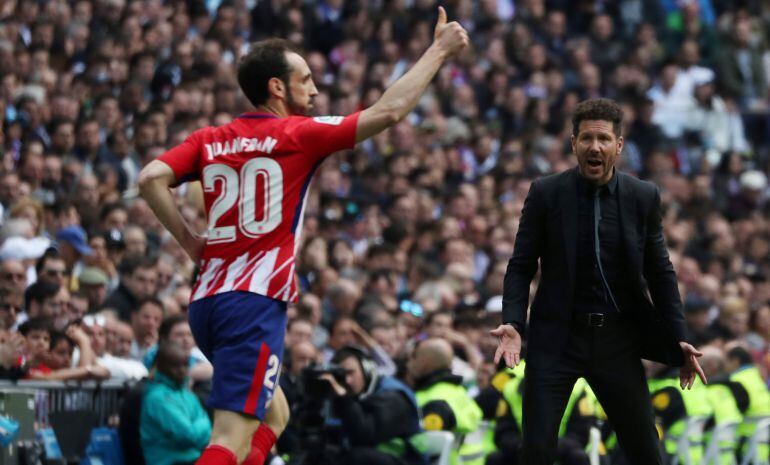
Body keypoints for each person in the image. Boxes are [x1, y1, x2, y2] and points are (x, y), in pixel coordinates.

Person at [137, 7, 468, 465]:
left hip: (207, 302)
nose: (314, 89)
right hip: (252, 303)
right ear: (277, 87)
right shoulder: (297, 134)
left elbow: (150, 178)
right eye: (306, 79)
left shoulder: (209, 138)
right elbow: (389, 112)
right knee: (227, 440)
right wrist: (439, 50)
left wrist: (191, 241)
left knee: (275, 417)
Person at [490, 98, 707, 464]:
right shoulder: (546, 193)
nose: (595, 146)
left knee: (646, 453)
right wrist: (513, 321)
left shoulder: (643, 196)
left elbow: (661, 271)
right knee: (536, 452)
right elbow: (521, 264)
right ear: (573, 143)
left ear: (618, 146)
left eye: (604, 139)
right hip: (557, 340)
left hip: (617, 342)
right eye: (586, 138)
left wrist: (679, 335)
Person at [321, 346, 424, 465]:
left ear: (367, 370)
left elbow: (364, 437)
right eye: (341, 376)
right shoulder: (352, 397)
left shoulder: (392, 396)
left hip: (406, 460)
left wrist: (344, 400)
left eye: (351, 373)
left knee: (359, 457)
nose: (347, 381)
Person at [407, 338, 484, 465]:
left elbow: (424, 448)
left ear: (425, 362)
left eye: (414, 356)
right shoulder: (459, 391)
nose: (409, 362)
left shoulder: (434, 401)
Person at [140, 342, 212, 465]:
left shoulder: (186, 393)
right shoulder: (157, 398)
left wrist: (199, 427)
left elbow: (207, 430)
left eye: (185, 365)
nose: (182, 370)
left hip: (193, 459)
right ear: (161, 366)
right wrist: (202, 424)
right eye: (175, 366)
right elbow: (188, 435)